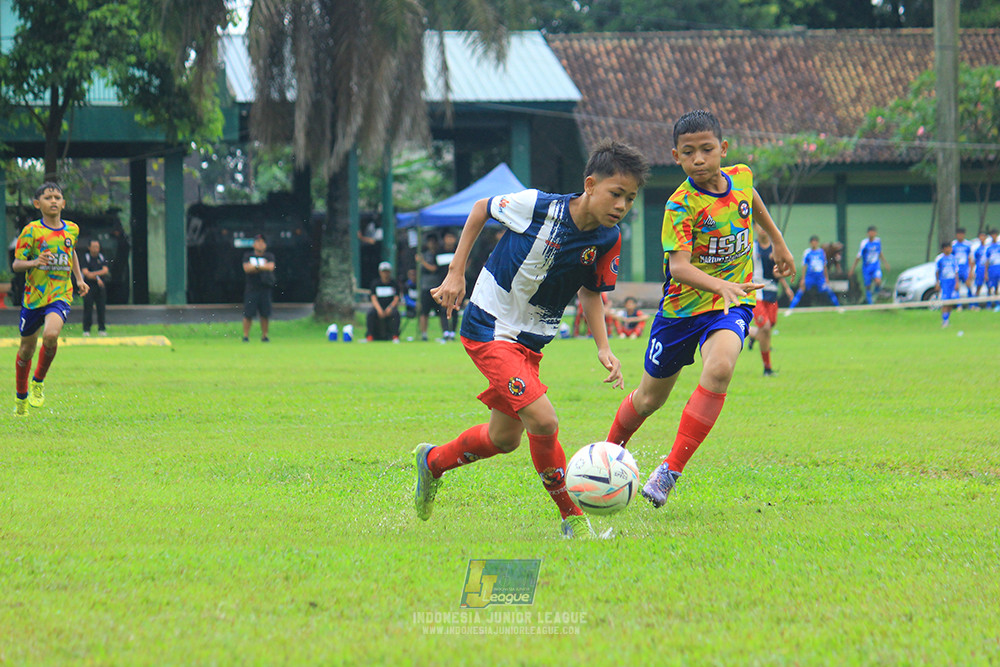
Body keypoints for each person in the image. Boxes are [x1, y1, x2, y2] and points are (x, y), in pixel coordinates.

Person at [412, 138, 650, 539]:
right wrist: (456, 273)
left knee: (503, 438)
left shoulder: (608, 239)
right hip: (489, 326)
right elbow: (480, 208)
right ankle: (572, 518)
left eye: (630, 198)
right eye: (615, 193)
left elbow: (591, 292)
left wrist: (604, 347)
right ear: (590, 185)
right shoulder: (539, 206)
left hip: (530, 343)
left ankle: (432, 462)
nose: (621, 205)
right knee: (543, 419)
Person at [603, 109, 795, 508]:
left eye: (707, 149)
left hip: (731, 304)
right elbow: (679, 267)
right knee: (649, 400)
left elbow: (752, 200)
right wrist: (720, 283)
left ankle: (669, 472)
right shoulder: (680, 205)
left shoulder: (741, 177)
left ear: (723, 148)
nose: (699, 159)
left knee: (721, 368)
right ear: (676, 157)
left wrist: (777, 241)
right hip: (680, 312)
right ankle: (605, 457)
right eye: (688, 152)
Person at [11, 182, 89, 416]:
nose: (53, 201)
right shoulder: (32, 231)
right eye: (48, 197)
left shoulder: (72, 229)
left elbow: (71, 252)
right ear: (38, 204)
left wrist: (79, 279)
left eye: (57, 197)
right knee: (26, 350)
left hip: (60, 294)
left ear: (63, 203)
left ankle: (38, 382)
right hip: (34, 297)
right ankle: (21, 397)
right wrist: (35, 262)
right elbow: (17, 264)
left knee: (51, 335)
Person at [748, 224, 794, 376]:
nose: (762, 228)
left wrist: (786, 286)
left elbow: (779, 272)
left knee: (769, 326)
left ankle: (750, 333)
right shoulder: (752, 247)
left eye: (764, 225)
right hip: (757, 292)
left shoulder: (776, 248)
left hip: (772, 292)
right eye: (759, 225)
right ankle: (767, 368)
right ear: (755, 228)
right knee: (766, 327)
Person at [788, 235, 839, 309]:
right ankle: (791, 308)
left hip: (820, 277)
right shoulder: (807, 252)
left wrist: (826, 277)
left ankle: (838, 307)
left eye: (815, 242)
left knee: (828, 290)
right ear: (810, 243)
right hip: (810, 276)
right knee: (801, 290)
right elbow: (804, 266)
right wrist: (803, 279)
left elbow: (824, 266)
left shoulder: (821, 252)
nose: (814, 243)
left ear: (817, 243)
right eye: (812, 242)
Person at [242, 233, 276, 342]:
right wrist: (261, 267)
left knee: (265, 314)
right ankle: (246, 336)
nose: (260, 244)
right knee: (248, 313)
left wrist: (255, 267)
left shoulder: (269, 256)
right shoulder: (248, 256)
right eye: (258, 242)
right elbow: (247, 268)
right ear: (254, 244)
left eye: (263, 242)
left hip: (265, 288)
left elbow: (270, 267)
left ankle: (264, 335)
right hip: (252, 289)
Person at [848, 226, 889, 304]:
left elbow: (880, 252)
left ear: (875, 233)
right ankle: (870, 303)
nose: (872, 234)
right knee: (868, 286)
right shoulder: (864, 243)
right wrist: (852, 269)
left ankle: (874, 293)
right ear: (867, 233)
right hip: (866, 267)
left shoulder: (878, 241)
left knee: (878, 281)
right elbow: (858, 256)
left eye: (873, 232)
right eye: (870, 232)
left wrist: (885, 263)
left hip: (875, 266)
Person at [80, 238, 110, 336]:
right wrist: (98, 277)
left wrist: (94, 274)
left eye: (97, 247)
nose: (95, 249)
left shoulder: (101, 257)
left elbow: (105, 270)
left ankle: (102, 329)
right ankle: (86, 330)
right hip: (88, 287)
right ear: (89, 247)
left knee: (101, 308)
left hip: (100, 287)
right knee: (88, 307)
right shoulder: (86, 258)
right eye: (93, 247)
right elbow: (86, 273)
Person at [366, 261, 401, 342]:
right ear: (380, 272)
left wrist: (390, 308)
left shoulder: (394, 284)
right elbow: (373, 298)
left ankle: (395, 336)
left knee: (396, 313)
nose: (385, 274)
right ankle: (370, 335)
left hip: (390, 307)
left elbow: (396, 298)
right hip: (378, 307)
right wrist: (379, 309)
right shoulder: (375, 284)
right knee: (371, 313)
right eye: (384, 272)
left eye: (387, 271)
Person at [415, 234, 440, 341]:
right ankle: (424, 334)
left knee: (440, 311)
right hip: (425, 287)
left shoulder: (438, 255)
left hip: (437, 287)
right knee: (424, 312)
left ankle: (444, 333)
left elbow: (434, 268)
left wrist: (422, 262)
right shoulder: (424, 254)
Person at [935, 241, 960, 327]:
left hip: (952, 282)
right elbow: (937, 272)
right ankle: (944, 320)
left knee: (951, 301)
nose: (949, 249)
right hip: (944, 282)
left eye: (950, 247)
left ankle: (947, 319)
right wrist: (937, 283)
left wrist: (957, 283)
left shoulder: (953, 258)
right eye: (947, 248)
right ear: (943, 249)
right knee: (945, 301)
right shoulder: (939, 259)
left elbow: (956, 272)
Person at [951, 228, 973, 301]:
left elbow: (970, 258)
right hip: (956, 269)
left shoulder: (968, 244)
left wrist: (970, 271)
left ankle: (971, 303)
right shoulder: (953, 245)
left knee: (968, 285)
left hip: (965, 269)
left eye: (961, 234)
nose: (960, 236)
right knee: (957, 286)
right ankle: (958, 304)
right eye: (958, 234)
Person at [971, 230, 990, 305]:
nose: (982, 238)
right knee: (978, 286)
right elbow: (974, 261)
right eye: (981, 236)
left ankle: (989, 304)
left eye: (983, 236)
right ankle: (975, 304)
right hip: (979, 269)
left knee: (989, 286)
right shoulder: (977, 249)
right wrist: (972, 271)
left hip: (988, 269)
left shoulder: (988, 248)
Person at [985, 229, 1000, 311]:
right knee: (990, 286)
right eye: (992, 235)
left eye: (995, 234)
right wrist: (986, 272)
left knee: (997, 287)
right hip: (992, 269)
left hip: (998, 268)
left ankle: (997, 304)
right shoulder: (989, 247)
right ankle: (989, 304)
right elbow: (987, 260)